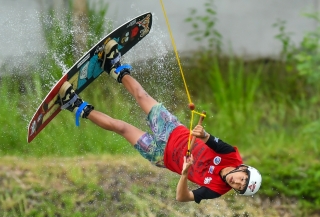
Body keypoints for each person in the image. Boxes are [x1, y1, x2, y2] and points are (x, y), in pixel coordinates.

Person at [58, 40, 262, 204]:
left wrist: (184, 174)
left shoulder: (216, 190)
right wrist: (202, 134)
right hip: (173, 130)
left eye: (239, 188)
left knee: (121, 127)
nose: (236, 182)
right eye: (242, 179)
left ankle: (74, 104)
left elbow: (182, 198)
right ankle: (113, 66)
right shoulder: (231, 156)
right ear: (243, 169)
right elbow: (211, 141)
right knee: (142, 96)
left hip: (160, 155)